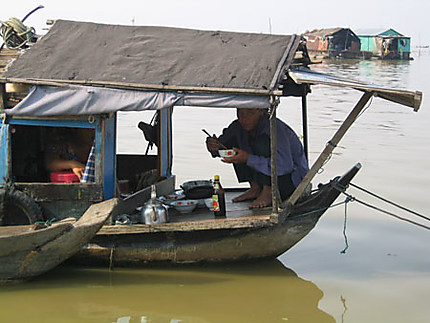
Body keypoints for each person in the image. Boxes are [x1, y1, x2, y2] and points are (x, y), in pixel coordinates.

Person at [205, 108, 309, 209]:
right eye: (240, 113)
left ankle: (268, 191)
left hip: (290, 181)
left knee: (262, 143)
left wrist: (248, 159)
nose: (244, 118)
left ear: (261, 111)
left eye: (250, 113)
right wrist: (213, 146)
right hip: (269, 176)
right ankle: (255, 188)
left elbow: (285, 166)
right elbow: (222, 146)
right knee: (233, 142)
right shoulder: (237, 126)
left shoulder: (274, 128)